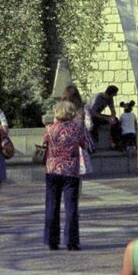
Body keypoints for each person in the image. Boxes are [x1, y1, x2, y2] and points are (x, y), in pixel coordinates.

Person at [42, 99, 93, 250]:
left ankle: (52, 240)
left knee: (52, 205)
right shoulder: (76, 128)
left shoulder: (49, 128)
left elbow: (44, 143)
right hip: (71, 171)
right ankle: (71, 242)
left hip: (52, 170)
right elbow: (84, 144)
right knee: (71, 207)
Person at [89, 85, 121, 149]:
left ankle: (113, 142)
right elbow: (93, 113)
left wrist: (112, 118)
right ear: (111, 93)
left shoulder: (110, 99)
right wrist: (107, 118)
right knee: (94, 122)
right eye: (115, 94)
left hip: (98, 115)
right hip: (90, 116)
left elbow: (112, 109)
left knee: (116, 120)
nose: (115, 95)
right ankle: (94, 141)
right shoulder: (98, 98)